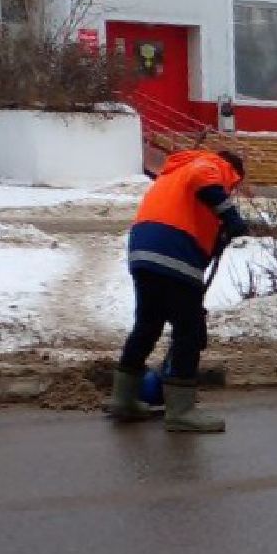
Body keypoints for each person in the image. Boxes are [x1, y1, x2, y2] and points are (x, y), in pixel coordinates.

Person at [108, 148, 249, 433]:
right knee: (190, 330)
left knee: (148, 324)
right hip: (173, 249)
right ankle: (180, 411)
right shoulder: (210, 164)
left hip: (143, 248)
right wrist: (231, 216)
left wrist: (218, 237)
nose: (229, 190)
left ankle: (123, 399)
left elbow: (198, 224)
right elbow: (204, 179)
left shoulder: (174, 173)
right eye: (232, 186)